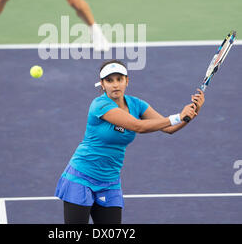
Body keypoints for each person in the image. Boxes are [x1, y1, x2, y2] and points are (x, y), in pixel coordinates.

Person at [55, 60, 205, 224]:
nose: (115, 85)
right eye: (109, 80)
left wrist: (193, 111)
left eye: (119, 79)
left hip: (109, 182)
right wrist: (178, 116)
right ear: (102, 85)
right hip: (82, 177)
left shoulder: (137, 105)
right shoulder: (100, 104)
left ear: (127, 81)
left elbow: (168, 128)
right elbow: (138, 126)